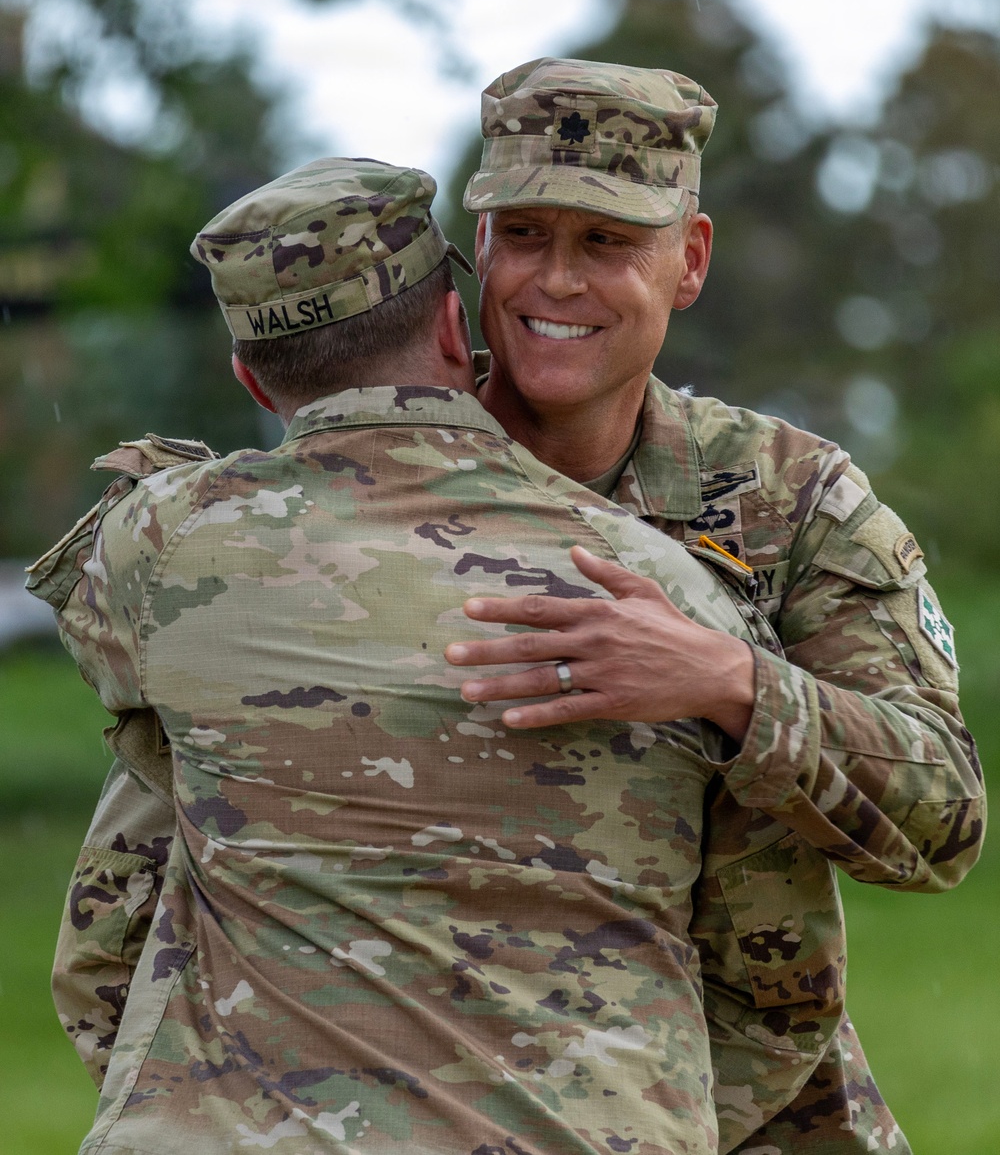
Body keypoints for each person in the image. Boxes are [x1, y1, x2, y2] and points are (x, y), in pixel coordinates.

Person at [28, 156, 783, 1154]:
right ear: (450, 326)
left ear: (250, 378)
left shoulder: (163, 547)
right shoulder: (669, 599)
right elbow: (776, 970)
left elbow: (108, 920)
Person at [441, 57, 985, 1153]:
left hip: (744, 1107)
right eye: (526, 235)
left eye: (605, 242)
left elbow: (942, 822)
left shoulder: (787, 500)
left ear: (686, 261)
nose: (555, 282)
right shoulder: (379, 487)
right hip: (441, 1096)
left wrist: (726, 683)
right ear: (479, 249)